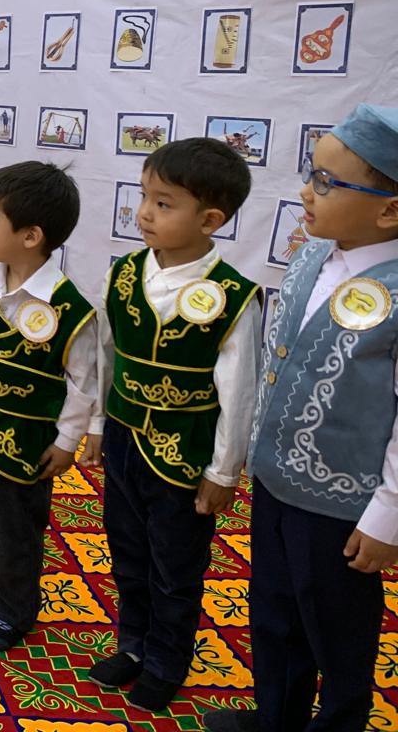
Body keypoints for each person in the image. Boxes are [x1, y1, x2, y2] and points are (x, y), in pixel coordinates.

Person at [206, 105, 398, 732]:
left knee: (337, 627)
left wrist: (387, 515)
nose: (306, 192)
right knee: (274, 611)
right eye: (311, 173)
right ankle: (277, 717)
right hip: (277, 479)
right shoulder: (313, 255)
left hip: (343, 503)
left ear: (389, 211)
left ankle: (339, 721)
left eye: (325, 181)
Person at [88, 137, 261, 713]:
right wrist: (97, 424)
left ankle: (166, 661)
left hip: (185, 453)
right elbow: (106, 357)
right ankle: (133, 645)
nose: (144, 213)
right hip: (123, 437)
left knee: (175, 564)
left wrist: (223, 471)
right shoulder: (123, 274)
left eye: (163, 203)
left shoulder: (233, 296)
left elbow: (238, 392)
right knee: (126, 550)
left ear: (210, 220)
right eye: (144, 197)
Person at [0, 162, 99, 651]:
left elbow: (84, 382)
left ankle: (13, 610)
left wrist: (68, 441)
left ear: (30, 236)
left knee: (16, 526)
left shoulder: (70, 309)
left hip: (24, 440)